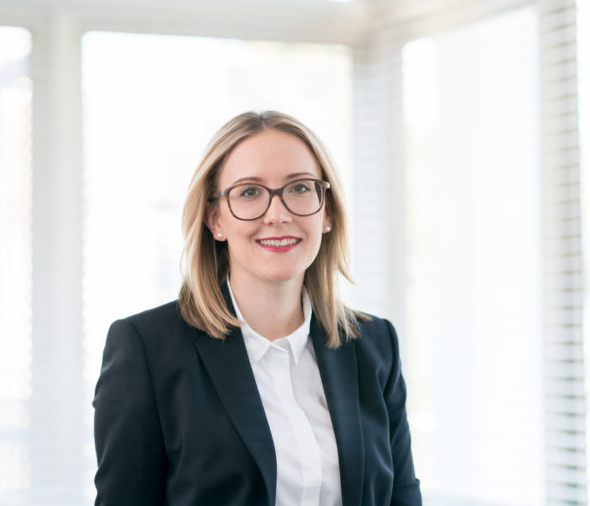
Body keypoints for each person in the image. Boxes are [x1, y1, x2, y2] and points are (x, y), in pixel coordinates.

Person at [92, 111, 421, 506]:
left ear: (327, 212)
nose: (277, 215)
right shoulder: (147, 349)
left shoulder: (375, 345)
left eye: (299, 188)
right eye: (249, 192)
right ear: (215, 219)